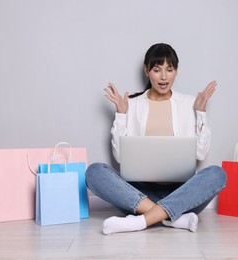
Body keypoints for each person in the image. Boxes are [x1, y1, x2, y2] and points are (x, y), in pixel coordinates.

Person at [86, 43, 227, 235]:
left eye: (169, 69)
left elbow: (200, 153)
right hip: (140, 195)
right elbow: (120, 157)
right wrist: (121, 115)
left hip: (182, 194)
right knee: (94, 172)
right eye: (157, 69)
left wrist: (201, 112)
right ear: (146, 70)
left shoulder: (189, 103)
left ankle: (142, 221)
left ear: (176, 71)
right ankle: (171, 218)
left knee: (218, 174)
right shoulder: (132, 104)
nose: (163, 77)